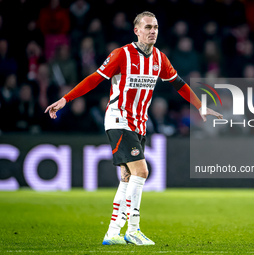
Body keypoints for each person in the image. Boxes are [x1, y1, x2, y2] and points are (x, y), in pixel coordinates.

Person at [45, 11, 223, 246]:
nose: (152, 31)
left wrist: (200, 106)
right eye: (147, 27)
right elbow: (94, 79)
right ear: (136, 31)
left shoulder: (160, 58)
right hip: (119, 119)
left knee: (128, 178)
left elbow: (179, 84)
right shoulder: (122, 54)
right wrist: (65, 99)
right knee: (142, 172)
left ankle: (112, 232)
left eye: (156, 27)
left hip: (139, 123)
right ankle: (134, 229)